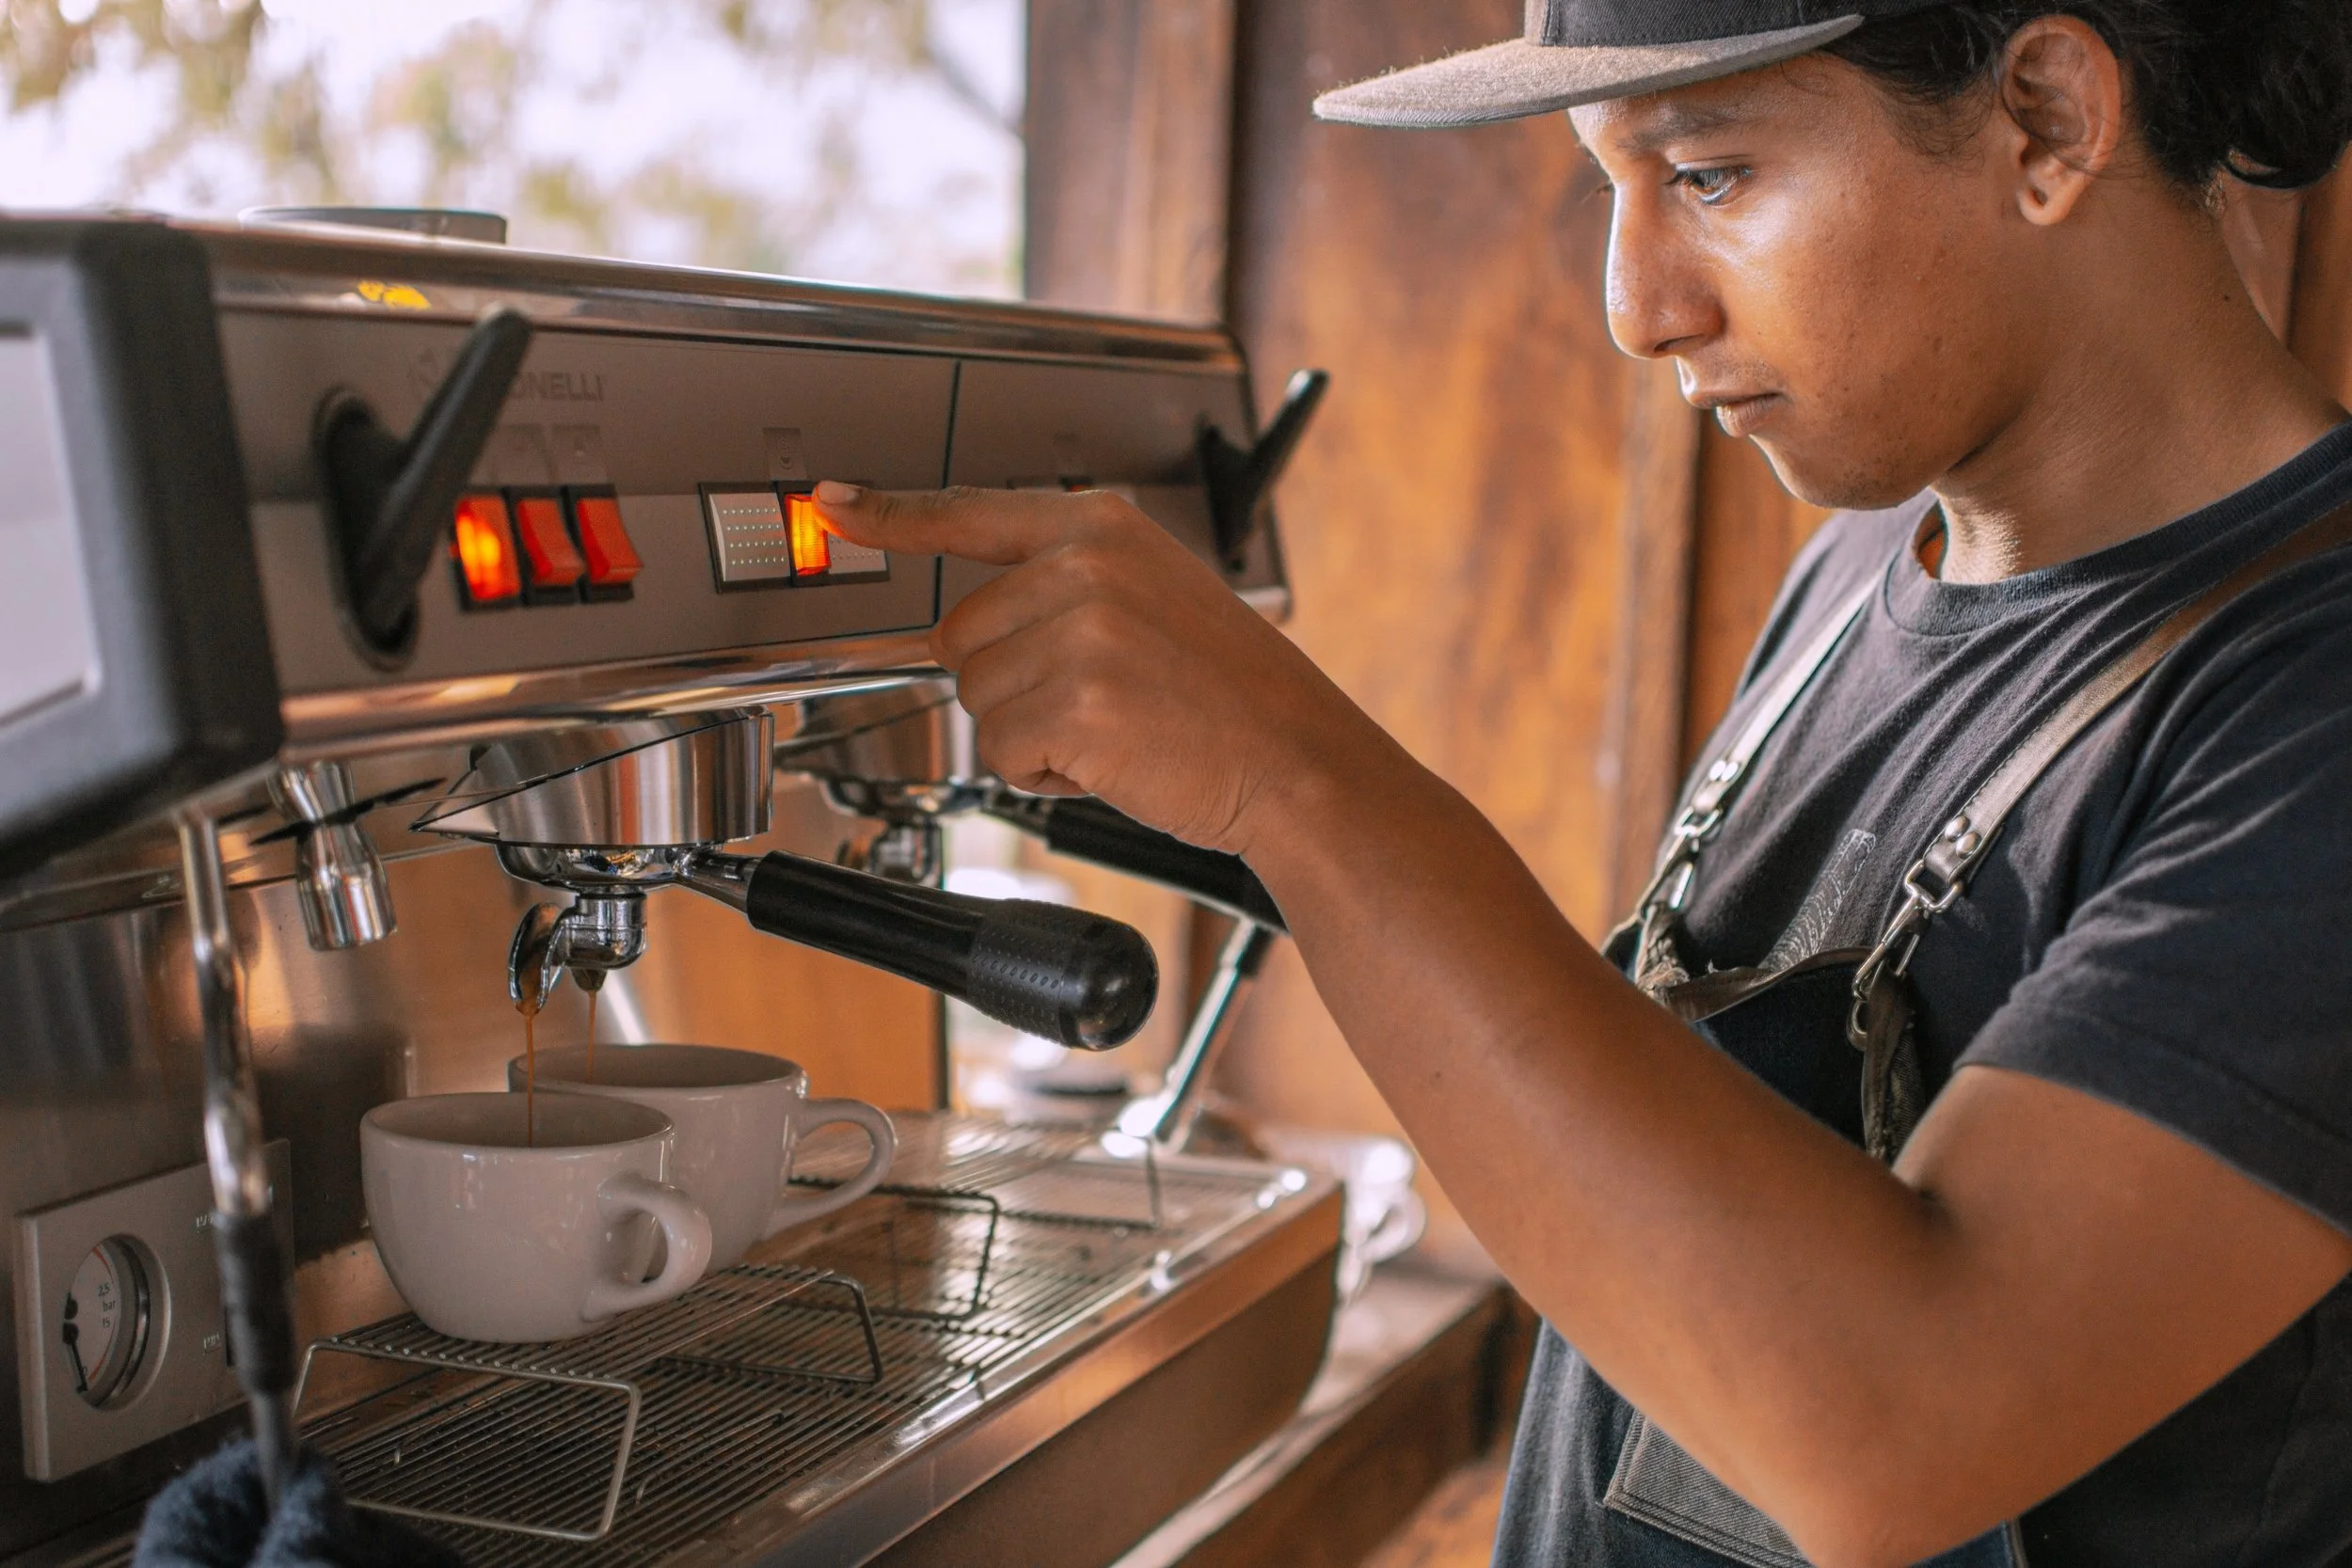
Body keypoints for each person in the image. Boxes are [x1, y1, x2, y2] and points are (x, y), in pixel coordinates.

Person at [813, 2, 2352, 1562]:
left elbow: (1897, 1424)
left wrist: (1295, 775)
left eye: (1709, 175)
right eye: (1609, 187)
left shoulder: (2308, 700)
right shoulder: (1852, 580)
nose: (1635, 307)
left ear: (2045, 118)